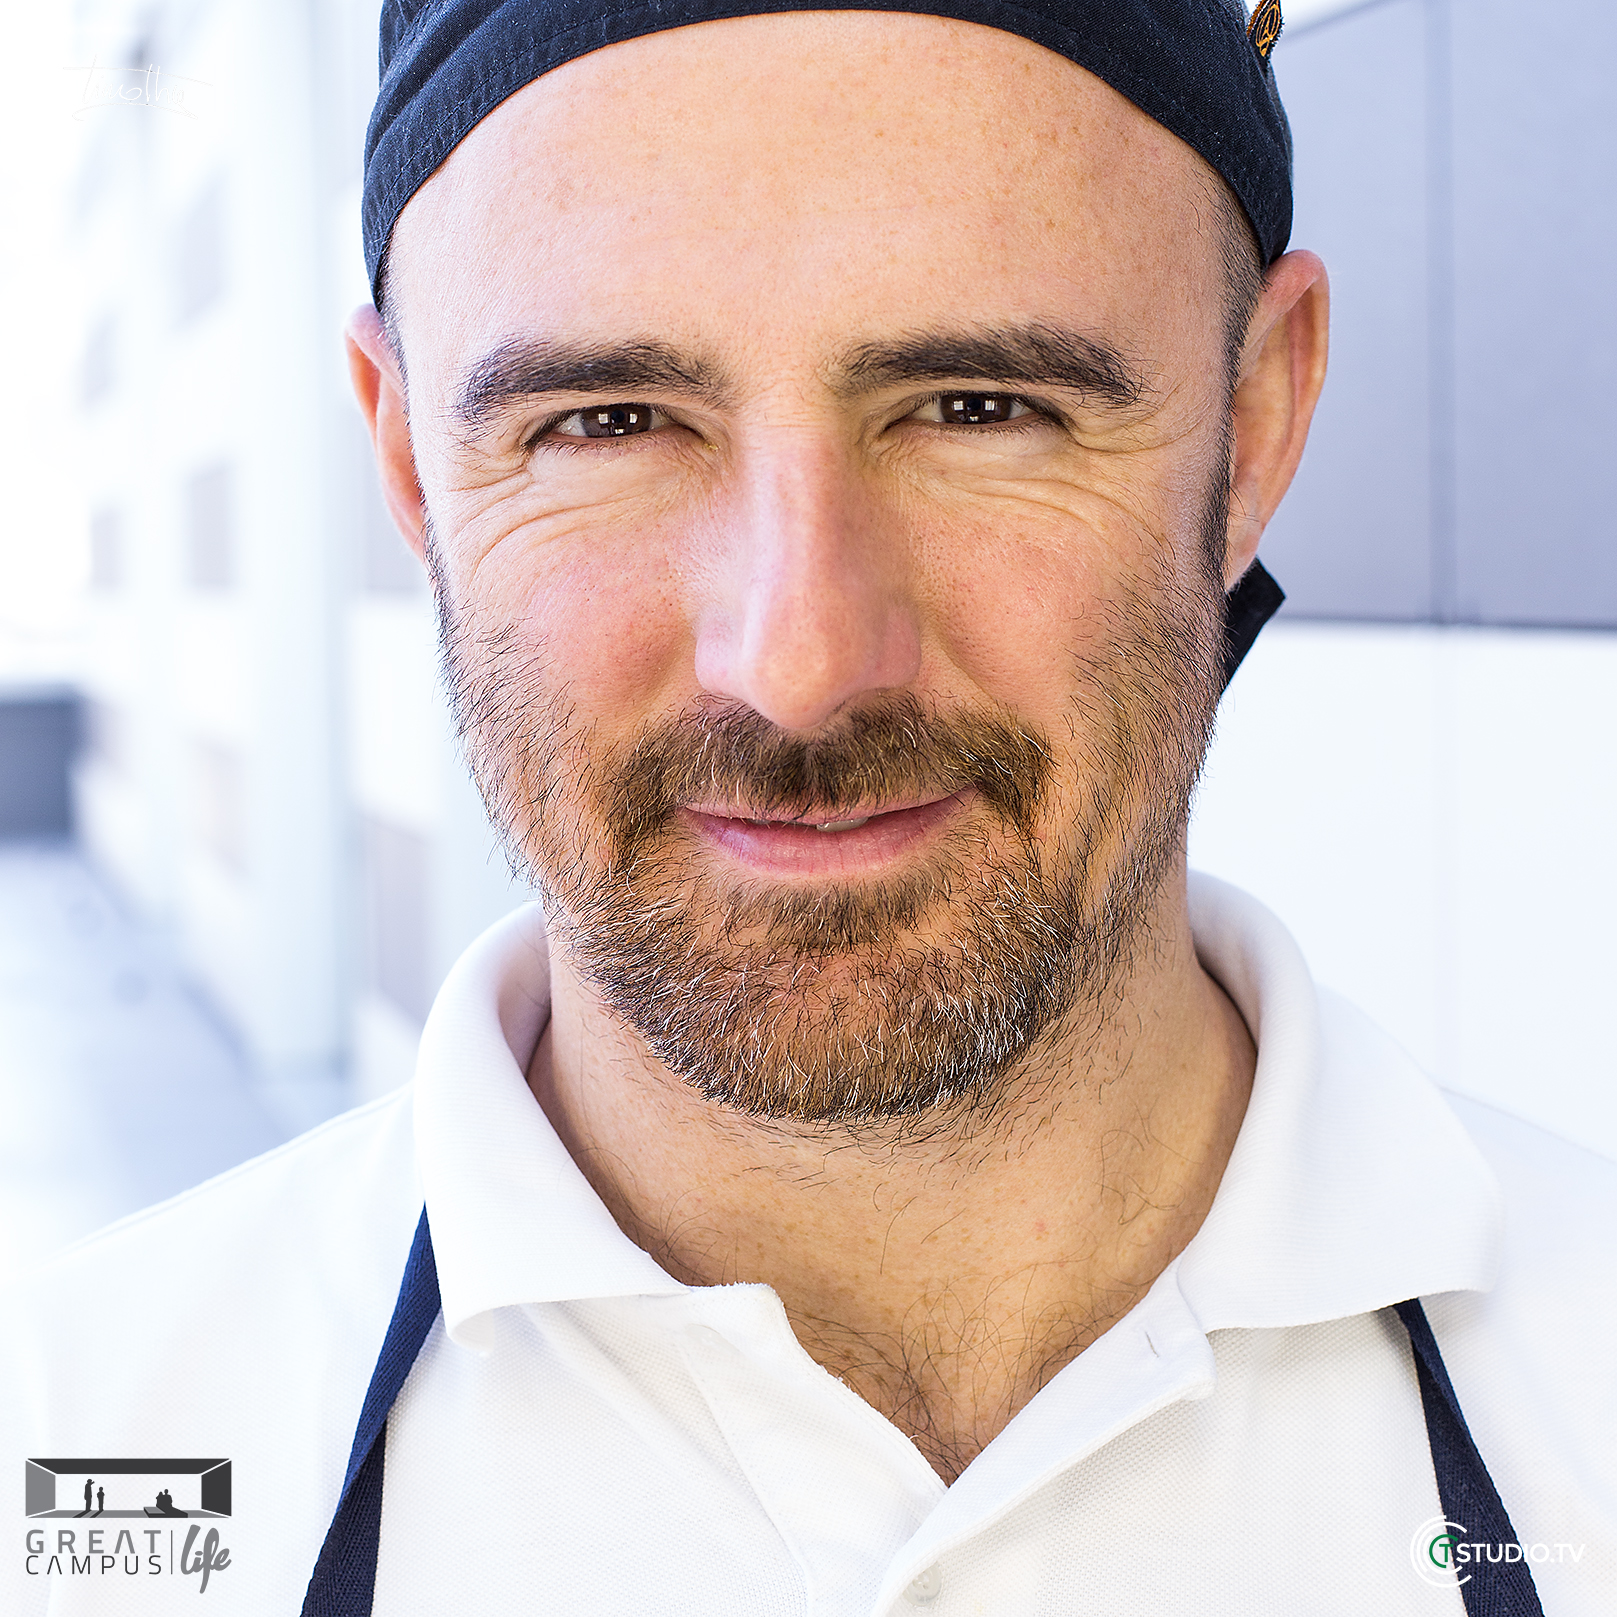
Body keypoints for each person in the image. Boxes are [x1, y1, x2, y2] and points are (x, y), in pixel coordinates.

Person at [5, 1, 1614, 1612]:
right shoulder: (78, 1437)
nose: (798, 665)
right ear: (412, 463)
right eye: (605, 422)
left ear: (1252, 422)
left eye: (979, 405)